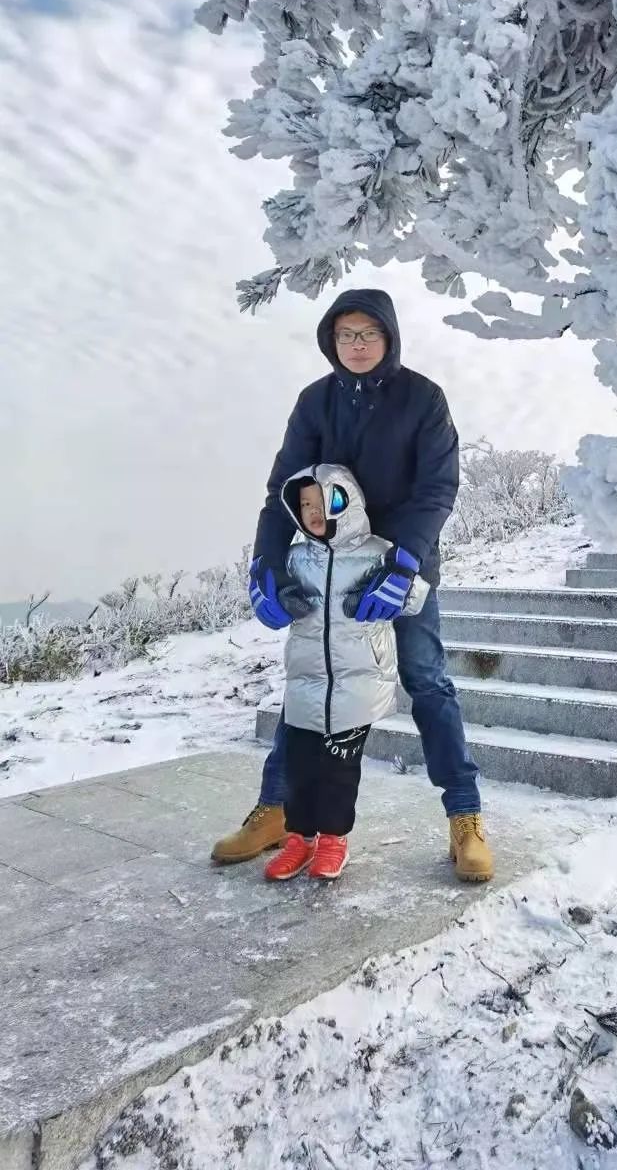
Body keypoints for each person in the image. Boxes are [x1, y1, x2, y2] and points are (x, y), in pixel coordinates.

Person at [212, 287, 494, 883]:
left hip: (399, 568)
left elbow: (437, 489)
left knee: (426, 681)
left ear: (389, 336)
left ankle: (465, 816)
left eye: (368, 333)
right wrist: (266, 566)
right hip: (328, 565)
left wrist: (404, 563)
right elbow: (281, 488)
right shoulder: (316, 401)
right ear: (330, 340)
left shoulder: (424, 399)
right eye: (346, 335)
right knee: (311, 684)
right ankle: (276, 810)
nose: (357, 345)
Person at [265, 465, 425, 883]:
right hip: (304, 680)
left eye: (321, 502)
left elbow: (416, 596)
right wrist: (277, 594)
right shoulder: (296, 557)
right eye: (305, 505)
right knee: (298, 766)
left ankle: (334, 838)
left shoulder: (377, 551)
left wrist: (398, 583)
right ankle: (299, 838)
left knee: (338, 769)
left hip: (358, 682)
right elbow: (273, 593)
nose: (313, 512)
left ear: (345, 500)